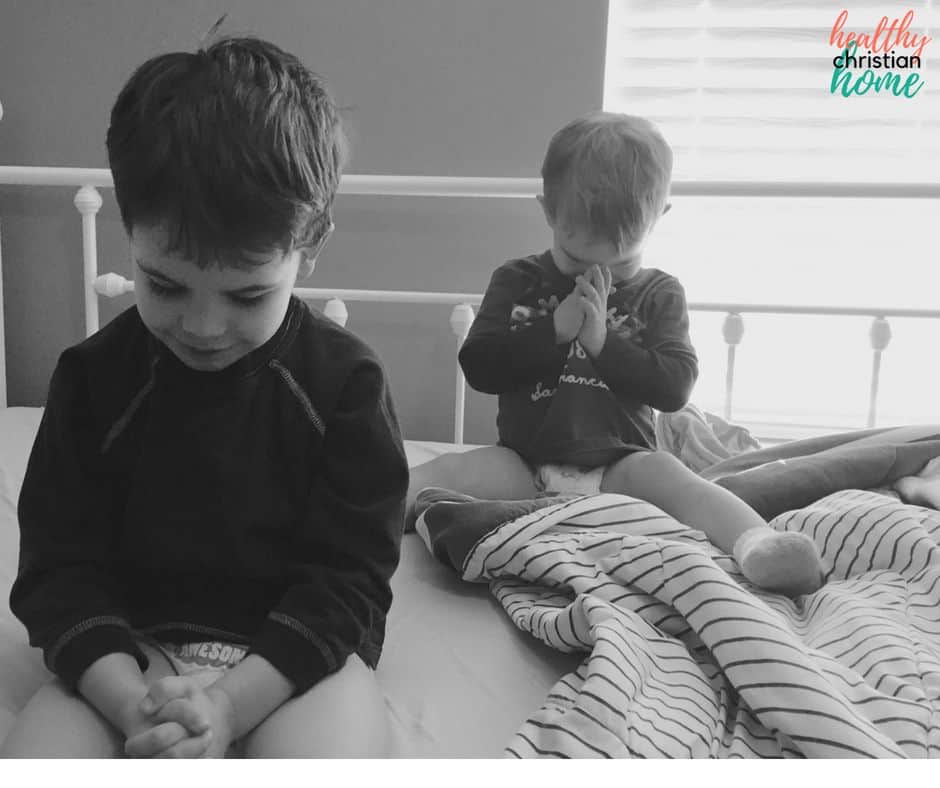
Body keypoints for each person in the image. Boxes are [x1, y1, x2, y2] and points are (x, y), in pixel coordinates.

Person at [1, 34, 408, 758]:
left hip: (289, 661)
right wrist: (130, 702)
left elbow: (347, 583)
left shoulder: (346, 387)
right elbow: (57, 570)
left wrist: (228, 705)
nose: (204, 326)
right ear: (131, 233)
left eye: (248, 295)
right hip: (128, 653)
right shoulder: (93, 382)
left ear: (309, 248)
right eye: (165, 284)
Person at [407, 112, 825, 597]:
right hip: (523, 462)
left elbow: (674, 387)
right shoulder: (516, 279)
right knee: (453, 470)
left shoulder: (659, 292)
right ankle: (362, 506)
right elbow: (479, 365)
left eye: (620, 262)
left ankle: (761, 546)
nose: (597, 280)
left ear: (659, 217)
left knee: (681, 482)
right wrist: (554, 333)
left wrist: (605, 344)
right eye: (577, 259)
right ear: (548, 212)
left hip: (622, 466)